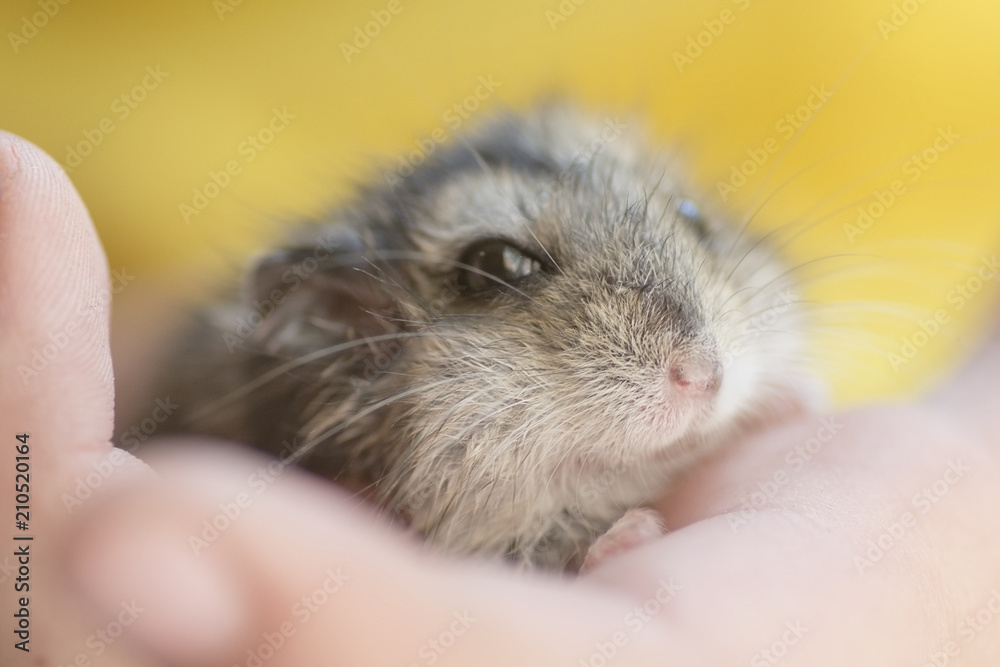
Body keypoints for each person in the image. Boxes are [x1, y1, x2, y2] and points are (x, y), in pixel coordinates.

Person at [2, 129, 999, 667]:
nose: (693, 355)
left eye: (688, 221)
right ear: (348, 327)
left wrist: (967, 474)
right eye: (506, 266)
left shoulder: (725, 328)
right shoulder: (279, 426)